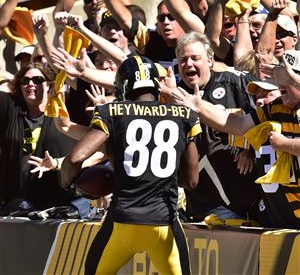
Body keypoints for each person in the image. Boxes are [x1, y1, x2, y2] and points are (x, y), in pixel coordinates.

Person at [60, 55, 201, 274]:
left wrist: (67, 181)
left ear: (123, 86)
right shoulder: (183, 115)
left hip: (122, 221)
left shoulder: (112, 112)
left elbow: (76, 157)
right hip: (163, 223)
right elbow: (192, 181)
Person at [171, 58, 300, 229]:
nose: (261, 100)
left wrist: (284, 144)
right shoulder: (274, 109)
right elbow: (238, 124)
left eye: (288, 80)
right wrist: (200, 107)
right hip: (278, 217)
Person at [172, 31, 260, 221]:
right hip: (201, 199)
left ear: (210, 61)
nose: (188, 64)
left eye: (195, 58)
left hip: (240, 194)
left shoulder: (235, 83)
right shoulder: (175, 95)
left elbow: (265, 116)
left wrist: (250, 149)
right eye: (183, 60)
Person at [0, 63, 90, 218]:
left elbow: (85, 89)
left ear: (49, 84)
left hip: (63, 200)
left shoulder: (66, 109)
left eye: (37, 80)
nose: (30, 84)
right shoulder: (10, 108)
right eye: (25, 81)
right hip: (19, 203)